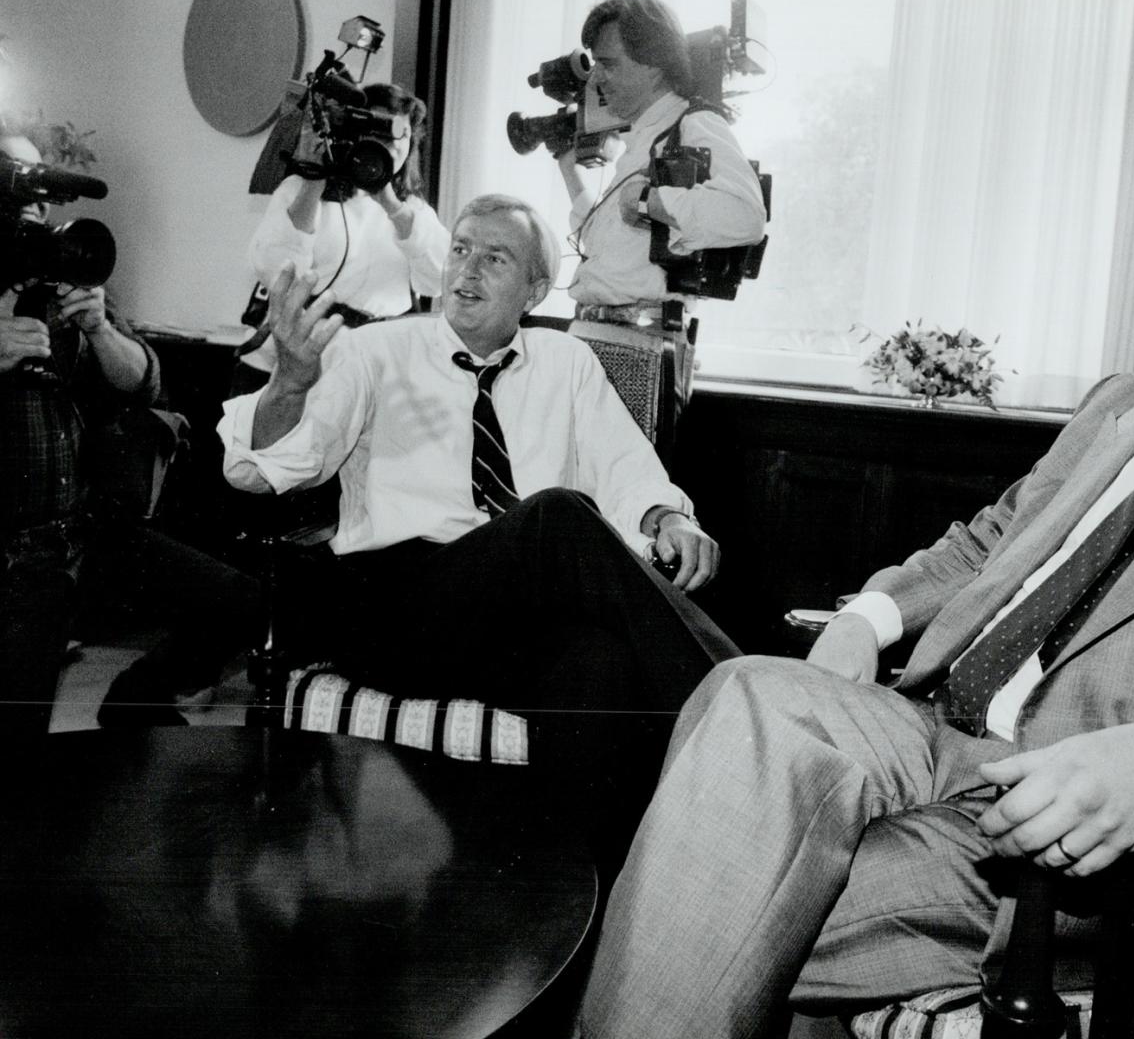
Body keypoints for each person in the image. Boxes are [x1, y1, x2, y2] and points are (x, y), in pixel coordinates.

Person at [576, 166, 1134, 1037]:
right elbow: (990, 538)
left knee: (688, 883)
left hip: (1055, 813)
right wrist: (869, 617)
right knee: (750, 696)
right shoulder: (1121, 405)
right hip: (928, 726)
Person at [219, 193, 737, 856]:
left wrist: (665, 515)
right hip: (397, 611)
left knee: (599, 666)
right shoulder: (373, 351)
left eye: (495, 258)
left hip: (511, 626)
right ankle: (744, 713)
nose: (466, 270)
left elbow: (626, 469)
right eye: (460, 249)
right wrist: (289, 386)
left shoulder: (567, 363)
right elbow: (263, 471)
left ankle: (570, 905)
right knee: (556, 515)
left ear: (537, 287)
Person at [0, 127, 258, 736]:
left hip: (83, 536)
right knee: (17, 755)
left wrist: (97, 327)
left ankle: (135, 704)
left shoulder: (55, 285)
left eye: (42, 201)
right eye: (18, 198)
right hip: (14, 562)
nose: (35, 216)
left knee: (240, 603)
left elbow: (142, 382)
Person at [557, 0, 767, 396]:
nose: (595, 77)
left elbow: (746, 214)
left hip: (637, 348)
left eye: (608, 63)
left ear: (654, 64)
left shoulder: (695, 123)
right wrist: (569, 172)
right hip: (598, 339)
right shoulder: (641, 139)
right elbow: (612, 250)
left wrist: (649, 200)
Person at [242, 82, 449, 373]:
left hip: (373, 363)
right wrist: (315, 181)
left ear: (410, 143)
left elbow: (441, 279)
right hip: (296, 358)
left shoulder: (413, 211)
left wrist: (391, 204)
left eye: (396, 134)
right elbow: (275, 272)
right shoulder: (300, 189)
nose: (385, 144)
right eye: (375, 130)